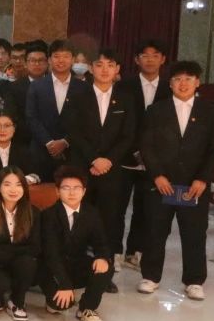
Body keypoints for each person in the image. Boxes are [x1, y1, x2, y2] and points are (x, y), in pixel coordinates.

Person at [138, 60, 214, 300]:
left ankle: (194, 281)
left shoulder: (210, 112)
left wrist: (203, 179)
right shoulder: (156, 111)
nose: (183, 84)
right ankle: (150, 276)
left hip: (193, 186)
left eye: (188, 79)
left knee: (194, 233)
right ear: (170, 83)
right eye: (177, 79)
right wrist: (157, 175)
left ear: (197, 82)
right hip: (161, 184)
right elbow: (146, 146)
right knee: (155, 230)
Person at [64, 48, 136, 292]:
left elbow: (129, 135)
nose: (104, 69)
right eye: (99, 64)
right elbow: (73, 131)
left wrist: (108, 160)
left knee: (110, 222)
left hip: (112, 171)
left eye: (110, 65)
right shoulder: (78, 95)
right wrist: (94, 159)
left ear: (117, 69)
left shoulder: (126, 98)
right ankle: (74, 270)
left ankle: (105, 275)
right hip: (82, 168)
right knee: (78, 219)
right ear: (91, 68)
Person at [116, 39, 171, 269]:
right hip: (124, 156)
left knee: (145, 208)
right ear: (136, 59)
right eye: (145, 55)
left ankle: (134, 251)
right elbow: (118, 122)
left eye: (155, 55)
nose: (150, 60)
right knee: (116, 207)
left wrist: (151, 153)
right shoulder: (123, 86)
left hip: (155, 160)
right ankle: (114, 252)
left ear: (163, 59)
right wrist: (133, 148)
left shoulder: (170, 87)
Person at [40, 166, 112, 321]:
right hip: (52, 268)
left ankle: (87, 308)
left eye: (77, 188)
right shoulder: (48, 215)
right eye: (66, 188)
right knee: (60, 305)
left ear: (84, 191)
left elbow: (101, 242)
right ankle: (54, 297)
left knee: (106, 266)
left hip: (77, 264)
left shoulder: (91, 213)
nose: (72, 193)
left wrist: (102, 257)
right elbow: (51, 253)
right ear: (57, 191)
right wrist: (64, 284)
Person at [0, 166, 40, 321]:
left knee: (28, 264)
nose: (13, 190)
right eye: (7, 184)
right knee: (0, 284)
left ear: (24, 188)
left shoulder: (33, 212)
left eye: (19, 184)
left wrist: (4, 249)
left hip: (18, 262)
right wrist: (18, 251)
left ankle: (17, 302)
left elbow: (35, 247)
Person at [26, 39, 87, 180]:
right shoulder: (36, 86)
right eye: (57, 56)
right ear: (49, 60)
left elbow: (86, 120)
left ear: (73, 60)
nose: (61, 60)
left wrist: (65, 141)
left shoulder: (84, 88)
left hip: (73, 153)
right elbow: (31, 118)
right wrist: (49, 142)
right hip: (41, 152)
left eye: (66, 56)